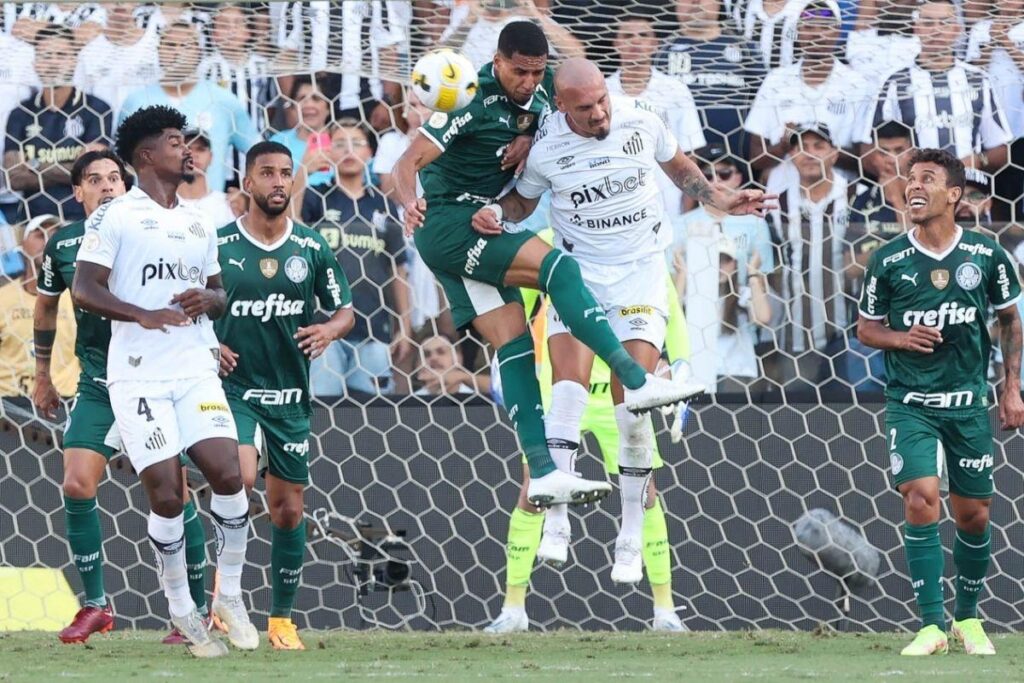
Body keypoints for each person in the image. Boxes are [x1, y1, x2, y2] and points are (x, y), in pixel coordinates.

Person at [471, 57, 773, 618]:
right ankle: (555, 524)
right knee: (567, 386)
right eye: (584, 109)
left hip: (639, 275)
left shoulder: (641, 120)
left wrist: (722, 200)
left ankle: (630, 535)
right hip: (578, 275)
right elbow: (522, 204)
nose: (599, 113)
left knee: (631, 403)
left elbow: (685, 173)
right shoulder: (544, 147)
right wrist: (492, 211)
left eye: (602, 101)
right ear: (561, 106)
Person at [393, 22, 718, 508]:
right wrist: (407, 202)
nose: (528, 81)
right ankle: (635, 378)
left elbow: (565, 91)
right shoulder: (469, 100)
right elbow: (405, 164)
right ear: (497, 62)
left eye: (536, 72)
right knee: (562, 270)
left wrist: (532, 135)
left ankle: (544, 473)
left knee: (516, 343)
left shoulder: (548, 89)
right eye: (518, 72)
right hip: (454, 222)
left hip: (474, 227)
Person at [72, 105, 257, 658]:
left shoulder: (201, 218)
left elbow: (221, 292)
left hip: (195, 365)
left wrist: (211, 299)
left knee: (229, 474)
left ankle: (233, 597)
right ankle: (181, 607)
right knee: (169, 495)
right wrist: (141, 314)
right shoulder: (116, 217)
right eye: (177, 142)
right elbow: (85, 287)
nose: (189, 149)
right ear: (148, 155)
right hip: (138, 376)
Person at [32, 150, 212, 645]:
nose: (108, 186)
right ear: (78, 192)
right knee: (75, 483)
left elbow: (198, 291)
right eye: (95, 180)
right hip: (98, 384)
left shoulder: (154, 226)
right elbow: (46, 308)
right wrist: (42, 373)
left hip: (155, 379)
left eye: (115, 177)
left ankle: (194, 611)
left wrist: (217, 345)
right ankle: (96, 606)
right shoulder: (64, 245)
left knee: (174, 495)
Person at [483, 226, 693, 634]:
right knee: (534, 488)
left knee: (646, 490)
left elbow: (666, 301)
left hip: (618, 389)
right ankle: (513, 609)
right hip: (559, 384)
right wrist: (500, 357)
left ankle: (665, 611)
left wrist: (681, 363)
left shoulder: (636, 235)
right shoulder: (548, 238)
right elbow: (517, 303)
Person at [857, 148, 1024, 656]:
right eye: (910, 178)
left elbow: (1010, 322)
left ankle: (967, 620)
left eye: (926, 178)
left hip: (969, 402)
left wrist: (1011, 387)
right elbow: (866, 329)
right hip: (910, 401)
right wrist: (902, 338)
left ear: (953, 194)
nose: (913, 185)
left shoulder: (987, 257)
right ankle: (931, 624)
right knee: (920, 497)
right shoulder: (886, 260)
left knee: (973, 514)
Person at [216, 140, 354, 650]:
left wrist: (329, 332)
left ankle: (281, 620)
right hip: (233, 391)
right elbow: (187, 307)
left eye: (285, 173)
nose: (278, 182)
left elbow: (345, 311)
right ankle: (223, 597)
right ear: (247, 183)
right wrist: (210, 346)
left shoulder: (312, 248)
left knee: (288, 511)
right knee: (240, 477)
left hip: (290, 397)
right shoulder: (217, 244)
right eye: (267, 173)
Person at [301, 122, 412, 396]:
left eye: (356, 143)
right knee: (324, 412)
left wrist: (405, 328)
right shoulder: (316, 198)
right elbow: (290, 229)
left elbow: (399, 270)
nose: (348, 150)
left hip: (373, 329)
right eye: (339, 143)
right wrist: (302, 171)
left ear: (370, 153)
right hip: (322, 328)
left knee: (375, 416)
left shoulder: (382, 204)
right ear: (328, 153)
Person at [118, 21, 262, 194]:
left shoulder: (223, 100)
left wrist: (247, 194)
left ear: (199, 52)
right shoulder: (136, 101)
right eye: (170, 45)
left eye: (186, 45)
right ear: (158, 51)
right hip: (150, 210)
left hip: (208, 213)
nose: (178, 52)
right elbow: (120, 162)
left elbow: (259, 152)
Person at [673, 151, 776, 391]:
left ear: (739, 178)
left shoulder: (755, 224)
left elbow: (766, 298)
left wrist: (751, 275)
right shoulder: (680, 225)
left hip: (738, 368)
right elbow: (671, 303)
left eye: (724, 173)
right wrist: (682, 276)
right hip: (693, 348)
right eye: (707, 175)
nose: (715, 180)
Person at [873, 0, 1011, 175]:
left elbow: (1001, 149)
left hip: (966, 189)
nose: (936, 30)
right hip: (914, 190)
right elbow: (870, 147)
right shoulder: (895, 82)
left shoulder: (978, 79)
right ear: (916, 28)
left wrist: (976, 160)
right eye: (928, 22)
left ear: (956, 29)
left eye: (944, 23)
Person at [744, 0, 875, 175]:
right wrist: (784, 145)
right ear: (797, 31)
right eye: (809, 27)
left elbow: (866, 160)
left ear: (838, 31)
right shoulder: (776, 80)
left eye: (825, 27)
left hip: (841, 195)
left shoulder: (857, 84)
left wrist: (823, 150)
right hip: (782, 194)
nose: (817, 34)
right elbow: (755, 159)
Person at [4, 25, 112, 221]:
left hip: (84, 219)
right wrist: (70, 168)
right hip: (34, 222)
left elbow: (91, 170)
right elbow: (13, 178)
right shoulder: (20, 114)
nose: (53, 62)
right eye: (46, 55)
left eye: (61, 55)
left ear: (74, 61)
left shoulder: (96, 109)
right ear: (35, 63)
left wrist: (34, 165)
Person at [605, 15, 706, 223]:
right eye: (627, 35)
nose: (635, 41)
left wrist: (685, 217)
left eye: (643, 35)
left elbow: (691, 154)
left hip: (667, 205)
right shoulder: (602, 92)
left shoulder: (675, 90)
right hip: (612, 206)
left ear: (654, 44)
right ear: (615, 44)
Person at [655, 0, 764, 157]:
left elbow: (764, 101)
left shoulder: (745, 48)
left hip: (737, 160)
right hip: (680, 158)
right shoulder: (660, 52)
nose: (695, 1)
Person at [1, 214, 76, 398]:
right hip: (12, 403)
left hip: (62, 400)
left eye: (54, 236)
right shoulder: (3, 298)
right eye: (40, 235)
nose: (48, 241)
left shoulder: (76, 300)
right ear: (23, 244)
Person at [73, 2, 160, 120]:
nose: (120, 3)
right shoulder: (88, 51)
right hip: (99, 133)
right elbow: (79, 102)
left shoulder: (156, 47)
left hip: (145, 133)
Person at [270, 77, 335, 189]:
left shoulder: (339, 141)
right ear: (293, 107)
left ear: (328, 107)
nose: (308, 104)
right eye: (301, 99)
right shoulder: (278, 142)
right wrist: (305, 170)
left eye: (316, 98)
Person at [178, 129, 236, 227]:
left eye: (200, 149)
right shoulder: (163, 205)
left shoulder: (227, 205)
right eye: (187, 148)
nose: (193, 154)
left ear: (211, 157)